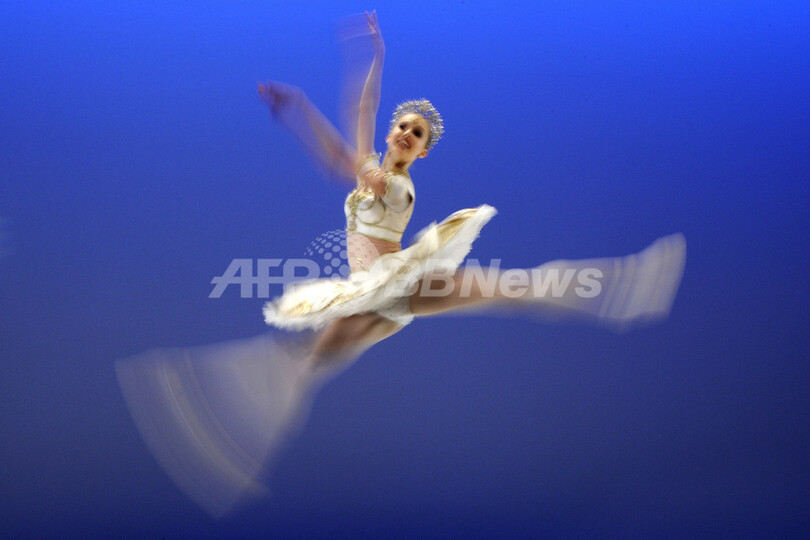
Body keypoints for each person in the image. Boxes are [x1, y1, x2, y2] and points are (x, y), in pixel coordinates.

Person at [116, 11, 685, 518]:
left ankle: (626, 284)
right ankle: (242, 448)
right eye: (405, 126)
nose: (408, 134)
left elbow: (354, 130)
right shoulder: (369, 174)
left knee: (506, 287)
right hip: (370, 298)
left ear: (422, 152)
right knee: (303, 366)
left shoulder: (392, 184)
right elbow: (344, 139)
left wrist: (357, 69)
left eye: (418, 134)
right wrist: (304, 105)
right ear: (395, 133)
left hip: (398, 281)